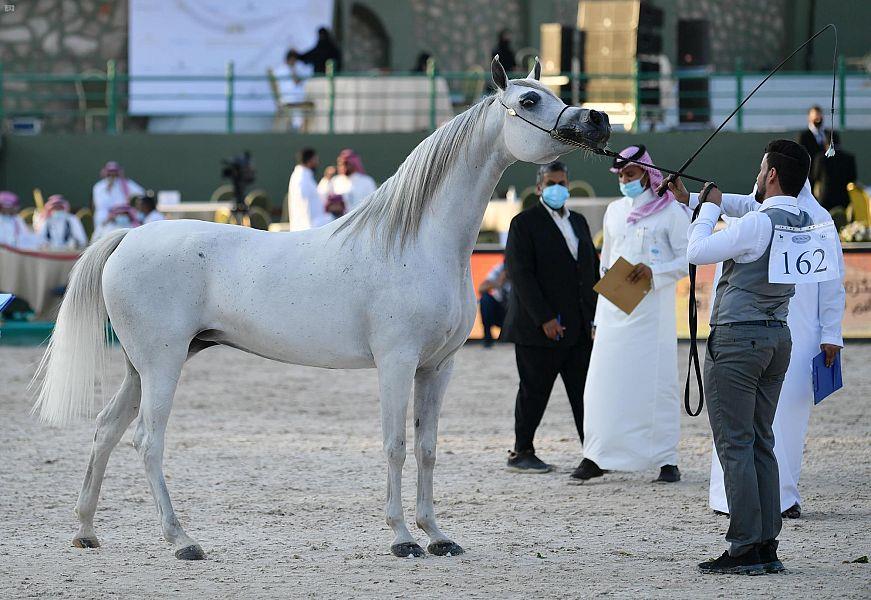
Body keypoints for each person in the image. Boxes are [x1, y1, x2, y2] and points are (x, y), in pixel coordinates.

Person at [673, 139, 815, 575]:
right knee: (760, 442)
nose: (756, 175)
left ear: (771, 174)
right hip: (777, 338)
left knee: (735, 443)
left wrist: (709, 211)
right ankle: (765, 542)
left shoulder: (758, 224)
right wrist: (698, 198)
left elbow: (696, 252)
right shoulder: (804, 218)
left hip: (739, 340)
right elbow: (749, 207)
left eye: (759, 169)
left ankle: (742, 546)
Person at [680, 177, 846, 521]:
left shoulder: (817, 219)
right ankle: (732, 499)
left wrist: (831, 332)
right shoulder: (765, 212)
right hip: (779, 330)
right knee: (748, 422)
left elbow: (832, 281)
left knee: (779, 421)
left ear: (774, 176)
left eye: (762, 168)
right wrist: (691, 197)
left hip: (798, 330)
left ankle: (783, 497)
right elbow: (738, 202)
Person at [576, 145, 690, 483]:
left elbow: (689, 258)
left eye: (631, 174)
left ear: (647, 173)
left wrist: (654, 272)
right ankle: (596, 455)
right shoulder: (613, 211)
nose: (626, 180)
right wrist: (599, 316)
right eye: (621, 175)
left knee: (655, 384)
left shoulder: (671, 212)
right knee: (602, 382)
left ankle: (666, 459)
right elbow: (606, 263)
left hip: (652, 311)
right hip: (614, 306)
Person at [500, 161, 599, 475]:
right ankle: (522, 451)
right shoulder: (523, 223)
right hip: (538, 328)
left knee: (585, 392)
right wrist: (544, 318)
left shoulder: (580, 222)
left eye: (562, 182)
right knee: (534, 390)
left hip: (579, 326)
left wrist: (594, 317)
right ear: (540, 187)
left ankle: (594, 453)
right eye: (551, 182)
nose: (558, 187)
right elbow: (521, 275)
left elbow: (588, 272)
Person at [810, 138, 857, 211]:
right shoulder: (849, 158)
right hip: (844, 200)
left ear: (826, 144)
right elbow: (853, 178)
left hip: (825, 200)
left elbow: (815, 177)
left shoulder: (820, 158)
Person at [92, 161, 144, 227]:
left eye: (114, 171)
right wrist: (110, 216)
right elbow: (100, 205)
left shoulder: (126, 184)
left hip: (122, 218)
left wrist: (129, 205)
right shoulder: (98, 187)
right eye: (110, 171)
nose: (112, 174)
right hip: (104, 220)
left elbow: (140, 193)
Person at [274, 49, 315, 130]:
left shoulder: (281, 69)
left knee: (303, 102)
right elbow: (295, 82)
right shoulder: (283, 70)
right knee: (302, 104)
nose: (295, 62)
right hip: (288, 98)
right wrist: (293, 70)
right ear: (291, 59)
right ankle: (298, 127)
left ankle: (299, 126)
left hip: (289, 97)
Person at [288, 147, 324, 231]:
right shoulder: (301, 178)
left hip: (308, 229)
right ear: (310, 160)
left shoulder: (304, 176)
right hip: (307, 231)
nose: (317, 162)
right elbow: (306, 208)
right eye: (316, 159)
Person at [478, 261, 510, 348]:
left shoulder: (522, 269)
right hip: (500, 312)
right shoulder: (500, 269)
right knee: (485, 299)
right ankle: (488, 338)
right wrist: (498, 282)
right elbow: (481, 289)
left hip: (515, 313)